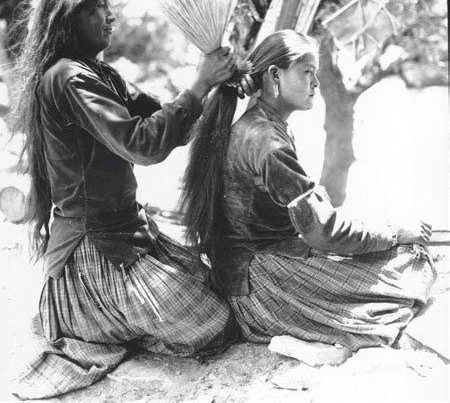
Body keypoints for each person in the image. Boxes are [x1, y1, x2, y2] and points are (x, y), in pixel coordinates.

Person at [11, 0, 256, 399]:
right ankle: (93, 319)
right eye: (98, 7)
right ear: (70, 16)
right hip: (92, 253)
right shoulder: (68, 78)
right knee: (213, 321)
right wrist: (200, 82)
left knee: (212, 285)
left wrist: (220, 88)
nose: (110, 16)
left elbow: (169, 125)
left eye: (108, 5)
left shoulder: (99, 74)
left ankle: (125, 321)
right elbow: (143, 145)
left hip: (125, 235)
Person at [181, 29, 436, 354]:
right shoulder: (266, 141)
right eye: (307, 72)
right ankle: (303, 337)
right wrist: (393, 231)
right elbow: (322, 230)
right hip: (261, 288)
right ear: (275, 75)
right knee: (412, 262)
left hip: (250, 276)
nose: (316, 83)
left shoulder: (260, 128)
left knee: (396, 260)